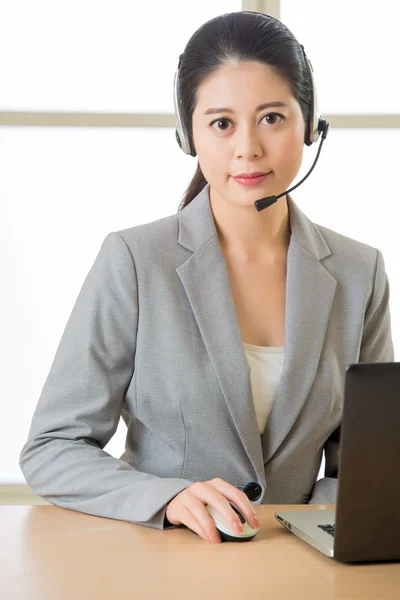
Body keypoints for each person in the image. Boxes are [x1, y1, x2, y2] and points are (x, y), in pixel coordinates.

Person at [19, 11, 394, 545]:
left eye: (272, 117)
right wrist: (165, 497)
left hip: (302, 568)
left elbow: (368, 458)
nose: (248, 148)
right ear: (187, 134)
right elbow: (52, 448)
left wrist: (317, 523)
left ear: (310, 125)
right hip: (165, 562)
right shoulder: (134, 259)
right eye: (222, 123)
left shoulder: (361, 272)